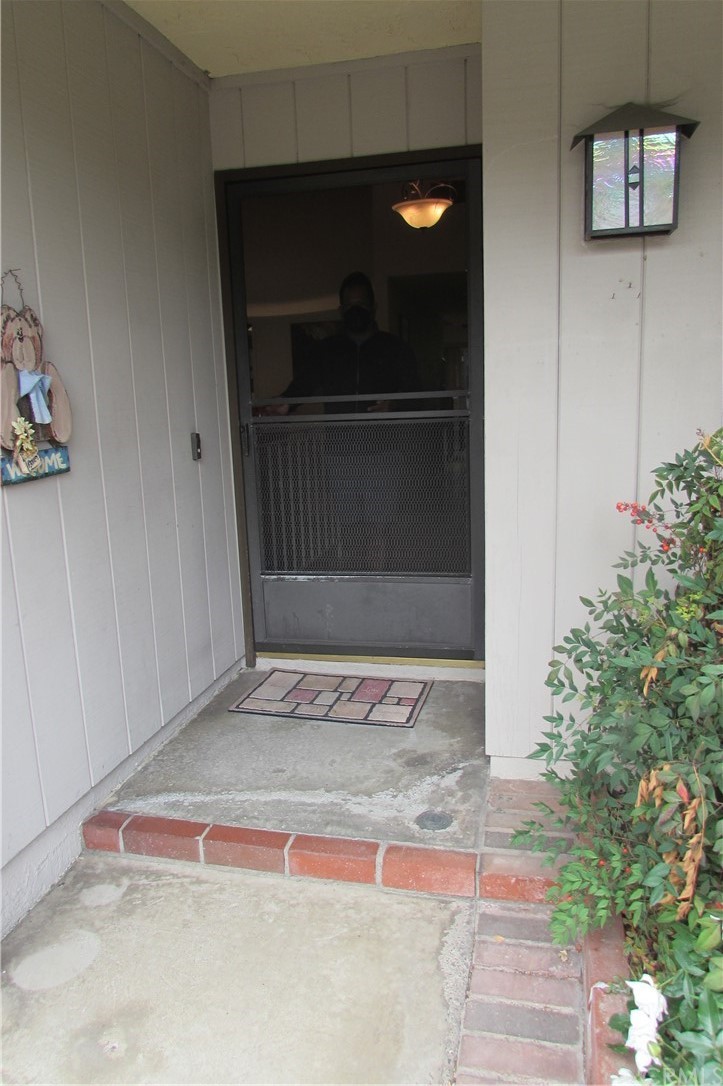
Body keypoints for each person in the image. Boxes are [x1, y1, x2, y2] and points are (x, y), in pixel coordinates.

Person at [266, 272, 418, 414]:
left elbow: (415, 393)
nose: (355, 310)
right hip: (339, 432)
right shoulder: (326, 350)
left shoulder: (395, 348)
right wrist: (286, 401)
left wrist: (394, 405)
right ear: (341, 310)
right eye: (349, 306)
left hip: (384, 433)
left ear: (373, 308)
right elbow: (305, 382)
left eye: (361, 304)